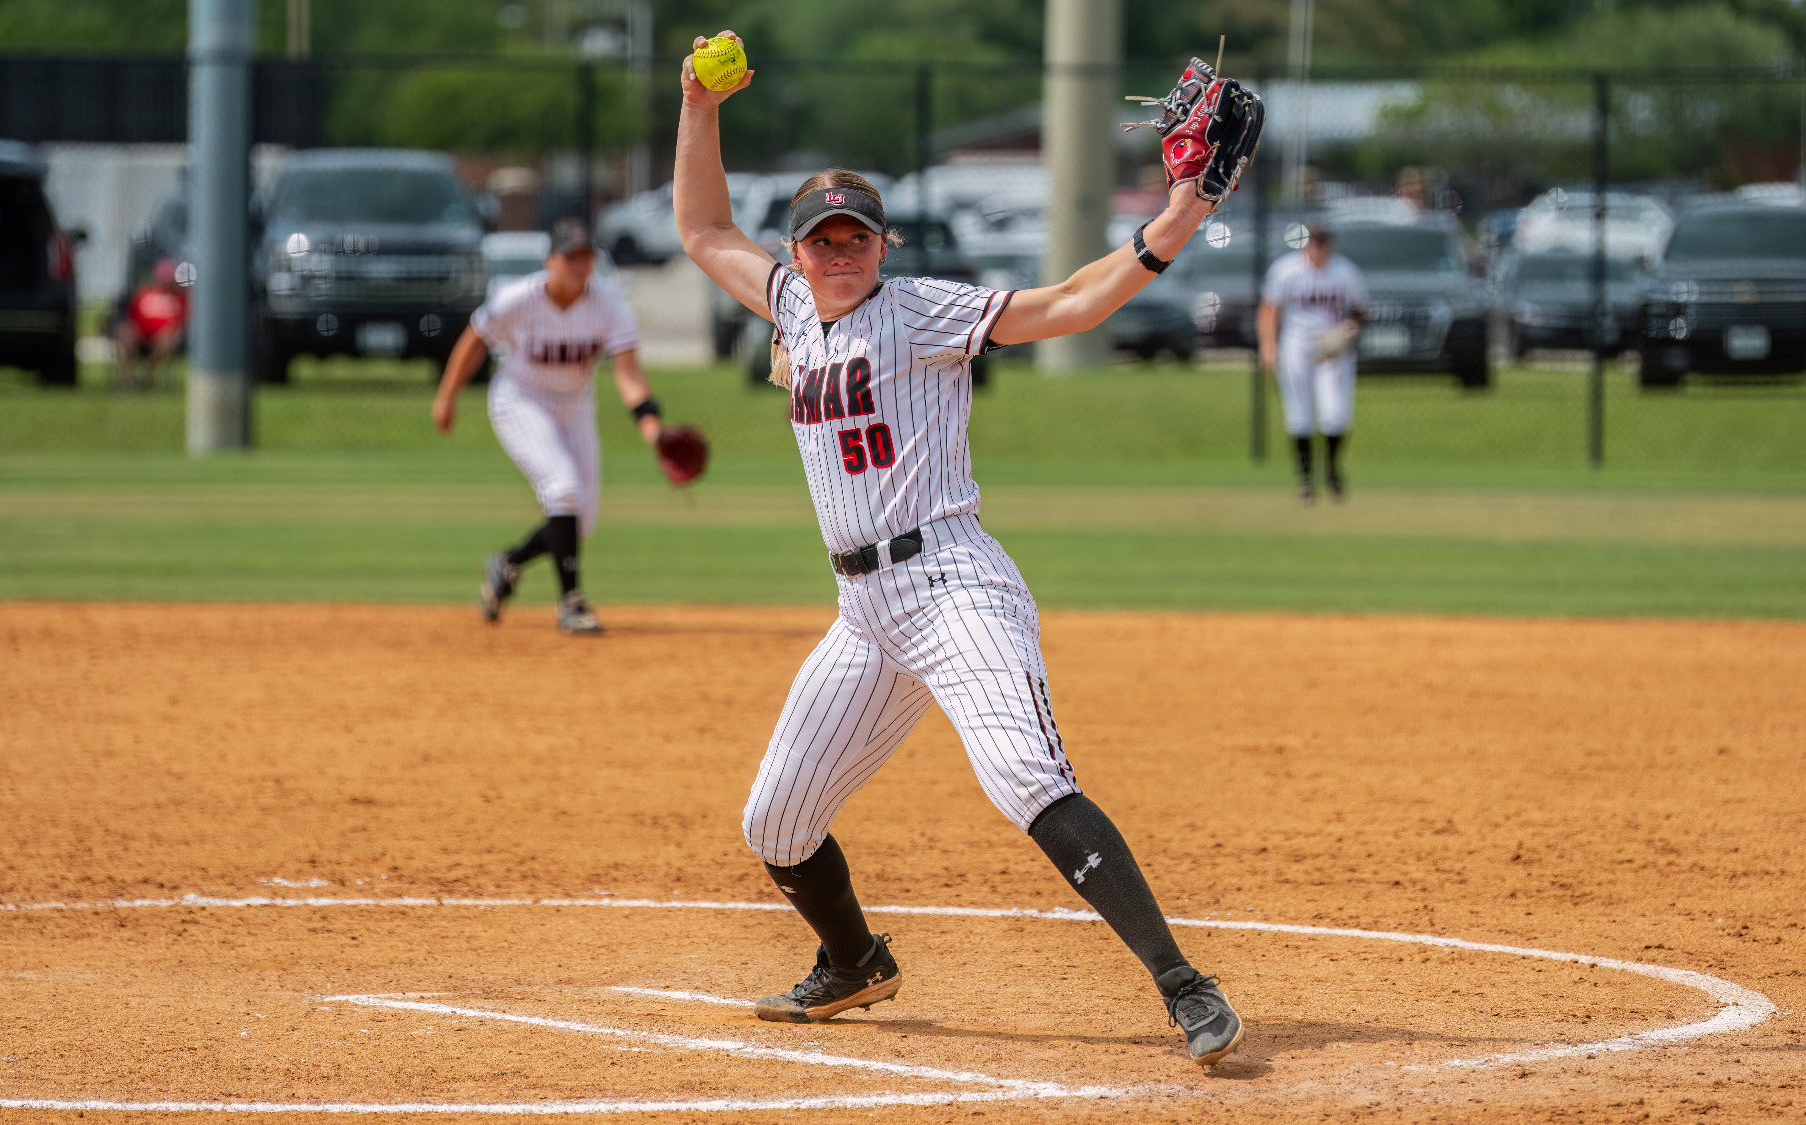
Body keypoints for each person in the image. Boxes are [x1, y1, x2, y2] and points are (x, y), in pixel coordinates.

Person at [673, 32, 1245, 1069]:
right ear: (797, 250)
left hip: (949, 583)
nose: (836, 251)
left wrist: (1176, 219)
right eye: (819, 238)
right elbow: (703, 227)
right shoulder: (793, 307)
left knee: (1023, 774)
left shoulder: (921, 311)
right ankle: (853, 962)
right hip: (864, 613)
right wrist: (697, 107)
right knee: (776, 822)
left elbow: (1070, 302)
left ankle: (1183, 985)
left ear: (882, 245)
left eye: (853, 236)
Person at [431, 218, 666, 636]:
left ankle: (508, 563)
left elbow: (629, 375)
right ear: (550, 260)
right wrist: (447, 396)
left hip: (575, 406)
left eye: (585, 256)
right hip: (520, 400)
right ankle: (572, 603)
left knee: (580, 520)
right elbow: (474, 339)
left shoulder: (608, 303)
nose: (579, 264)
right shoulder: (519, 298)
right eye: (570, 256)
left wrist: (652, 428)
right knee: (563, 488)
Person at [1258, 223, 1369, 503]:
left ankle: (1331, 468)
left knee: (1336, 412)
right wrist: (1268, 346)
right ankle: (1306, 479)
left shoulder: (1345, 271)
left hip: (1332, 348)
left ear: (1329, 245)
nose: (1317, 248)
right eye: (1313, 243)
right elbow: (1269, 309)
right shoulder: (1286, 270)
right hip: (1296, 345)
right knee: (1299, 414)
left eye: (1322, 243)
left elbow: (1360, 310)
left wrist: (1348, 330)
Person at [114, 258, 188, 391]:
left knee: (168, 337)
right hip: (140, 336)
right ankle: (127, 381)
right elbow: (130, 316)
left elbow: (183, 323)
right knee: (124, 331)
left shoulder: (180, 298)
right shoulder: (144, 292)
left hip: (164, 339)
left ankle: (148, 377)